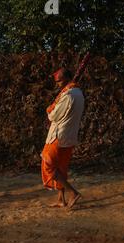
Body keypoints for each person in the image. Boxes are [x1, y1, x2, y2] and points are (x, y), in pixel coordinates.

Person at [41, 68, 85, 210]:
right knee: (61, 168)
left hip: (59, 136)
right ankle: (61, 199)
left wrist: (50, 108)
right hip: (69, 136)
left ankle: (73, 192)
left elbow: (53, 116)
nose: (57, 84)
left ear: (65, 79)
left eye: (59, 81)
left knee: (48, 165)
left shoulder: (68, 95)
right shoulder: (78, 93)